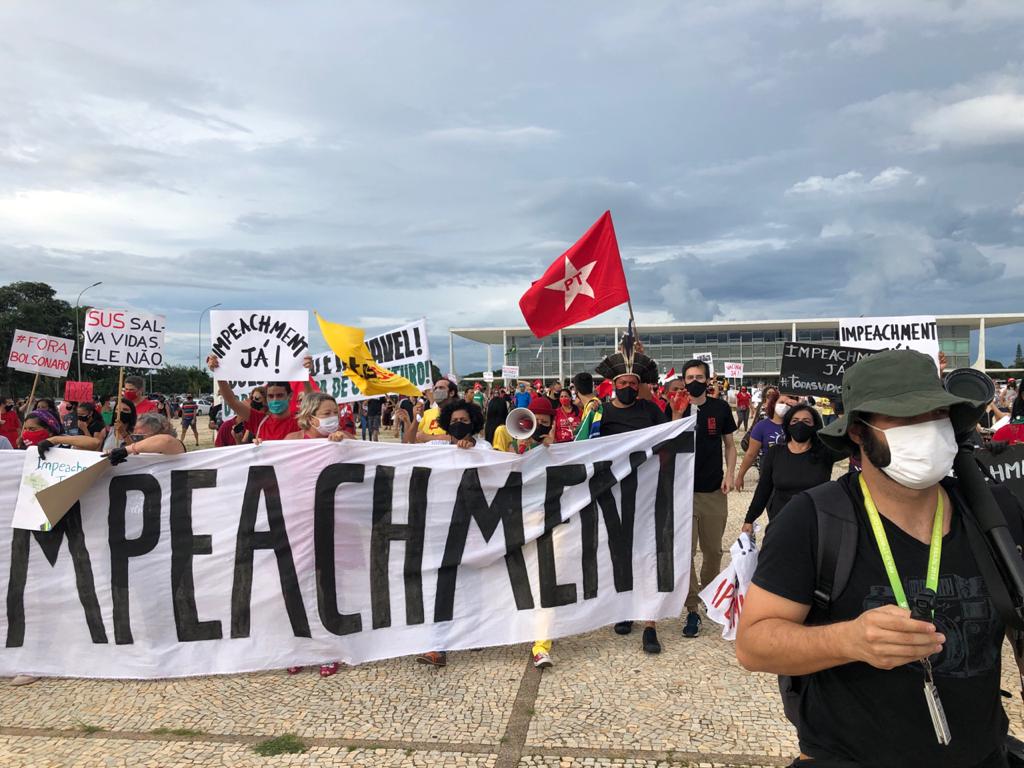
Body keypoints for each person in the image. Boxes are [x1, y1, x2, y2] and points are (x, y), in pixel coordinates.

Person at [737, 349, 1024, 767]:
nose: (926, 431)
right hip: (848, 757)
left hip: (983, 755)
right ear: (857, 431)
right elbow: (753, 645)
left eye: (936, 415)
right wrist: (847, 640)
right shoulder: (814, 518)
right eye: (905, 418)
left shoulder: (993, 511)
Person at [594, 347, 667, 653]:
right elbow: (584, 446)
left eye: (632, 384)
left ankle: (649, 622)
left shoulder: (650, 411)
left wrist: (675, 415)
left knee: (649, 552)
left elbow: (669, 438)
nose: (627, 389)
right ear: (613, 384)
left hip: (647, 489)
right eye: (622, 384)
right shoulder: (599, 411)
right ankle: (623, 610)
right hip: (613, 492)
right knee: (619, 552)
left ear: (640, 386)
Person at [282, 392, 350, 677]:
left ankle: (328, 648)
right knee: (295, 585)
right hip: (298, 522)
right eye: (327, 412)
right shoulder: (291, 442)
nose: (333, 417)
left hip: (332, 523)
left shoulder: (343, 441)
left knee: (327, 587)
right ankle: (298, 646)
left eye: (334, 411)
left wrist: (341, 446)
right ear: (310, 416)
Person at [669, 360, 738, 639]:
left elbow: (730, 446)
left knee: (713, 551)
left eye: (699, 376)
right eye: (689, 376)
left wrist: (730, 474)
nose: (694, 380)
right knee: (685, 553)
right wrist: (676, 413)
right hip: (683, 493)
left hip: (713, 492)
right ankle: (692, 608)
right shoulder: (675, 406)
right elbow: (668, 443)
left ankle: (710, 595)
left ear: (708, 380)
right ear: (683, 380)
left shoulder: (720, 408)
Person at [417, 398, 488, 669]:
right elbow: (408, 449)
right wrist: (410, 420)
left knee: (473, 584)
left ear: (474, 423)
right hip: (440, 525)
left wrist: (474, 452)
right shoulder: (437, 446)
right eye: (455, 421)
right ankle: (438, 644)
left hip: (472, 525)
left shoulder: (483, 447)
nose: (459, 425)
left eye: (464, 421)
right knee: (442, 584)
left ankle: (474, 633)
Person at [741, 405, 841, 533]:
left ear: (815, 426)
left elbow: (850, 438)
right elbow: (763, 489)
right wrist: (749, 519)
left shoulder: (825, 453)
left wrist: (839, 408)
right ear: (788, 425)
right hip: (781, 521)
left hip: (816, 523)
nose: (800, 424)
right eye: (795, 421)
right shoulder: (775, 452)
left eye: (806, 421)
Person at [208, 356, 300, 442]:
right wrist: (219, 374)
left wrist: (306, 371)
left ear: (290, 395)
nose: (275, 400)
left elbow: (312, 399)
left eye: (280, 395)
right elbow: (231, 401)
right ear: (266, 397)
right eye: (271, 396)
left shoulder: (301, 421)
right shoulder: (259, 420)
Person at [735, 388, 797, 491]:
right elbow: (751, 454)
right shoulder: (761, 427)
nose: (785, 406)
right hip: (769, 476)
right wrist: (740, 476)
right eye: (781, 402)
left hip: (792, 475)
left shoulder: (797, 426)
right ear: (773, 404)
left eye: (788, 404)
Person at [406, 379, 457, 443]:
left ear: (451, 393)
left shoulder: (459, 413)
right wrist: (415, 420)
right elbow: (411, 440)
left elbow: (459, 438)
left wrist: (427, 437)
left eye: (441, 388)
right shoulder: (426, 413)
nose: (437, 390)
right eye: (435, 388)